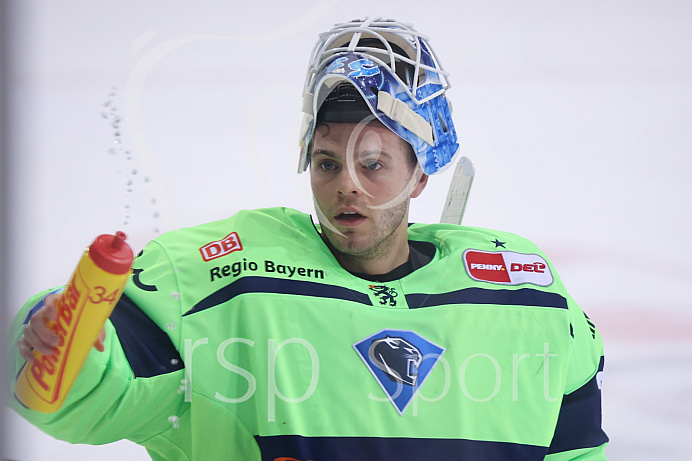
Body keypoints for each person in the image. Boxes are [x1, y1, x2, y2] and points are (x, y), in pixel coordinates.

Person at [8, 17, 608, 460]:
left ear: (421, 174)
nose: (347, 186)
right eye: (326, 164)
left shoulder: (526, 296)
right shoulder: (226, 280)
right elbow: (96, 389)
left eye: (372, 164)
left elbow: (576, 448)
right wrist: (63, 340)